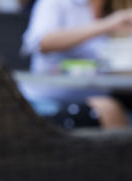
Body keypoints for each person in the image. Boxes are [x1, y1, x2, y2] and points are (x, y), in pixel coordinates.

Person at [21, 0, 132, 129]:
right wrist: (106, 24)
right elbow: (41, 42)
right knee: (108, 110)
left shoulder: (117, 7)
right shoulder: (57, 3)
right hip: (50, 101)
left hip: (102, 95)